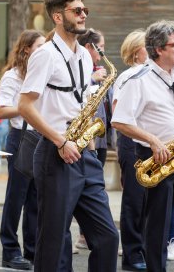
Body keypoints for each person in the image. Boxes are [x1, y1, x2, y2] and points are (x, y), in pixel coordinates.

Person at [18, 0, 119, 272]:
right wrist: (61, 142)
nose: (84, 14)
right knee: (54, 242)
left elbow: (83, 102)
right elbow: (25, 106)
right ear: (58, 17)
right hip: (55, 152)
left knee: (107, 237)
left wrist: (88, 147)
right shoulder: (45, 55)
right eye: (77, 11)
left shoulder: (85, 57)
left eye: (85, 10)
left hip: (83, 154)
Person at [112, 20, 174, 272]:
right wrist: (153, 140)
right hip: (155, 157)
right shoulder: (138, 79)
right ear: (158, 49)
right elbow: (119, 120)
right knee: (157, 225)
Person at [0, 30, 45, 270]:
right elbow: (2, 111)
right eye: (39, 46)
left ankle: (32, 249)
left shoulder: (42, 74)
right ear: (26, 49)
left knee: (35, 198)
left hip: (38, 136)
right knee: (16, 196)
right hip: (20, 137)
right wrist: (25, 107)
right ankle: (9, 249)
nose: (43, 50)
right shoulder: (13, 76)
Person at [112, 29, 148, 271]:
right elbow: (119, 113)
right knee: (135, 200)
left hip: (148, 141)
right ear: (137, 52)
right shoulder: (128, 77)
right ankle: (133, 254)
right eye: (148, 46)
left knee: (148, 201)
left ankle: (144, 249)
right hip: (132, 141)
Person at [75, 28, 112, 251]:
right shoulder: (81, 66)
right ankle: (81, 236)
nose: (103, 52)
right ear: (90, 46)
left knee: (93, 188)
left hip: (98, 137)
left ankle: (87, 235)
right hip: (82, 138)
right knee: (81, 187)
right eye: (102, 47)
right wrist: (91, 79)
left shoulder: (96, 68)